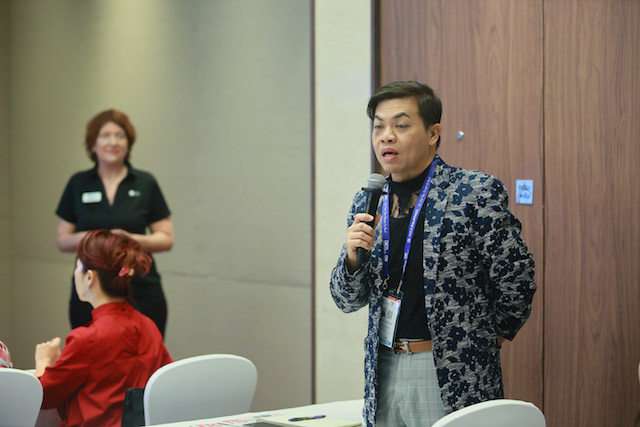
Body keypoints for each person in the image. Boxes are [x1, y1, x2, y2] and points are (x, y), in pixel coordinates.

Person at [329, 81, 536, 427]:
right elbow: (346, 300)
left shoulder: (473, 192)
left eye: (400, 125)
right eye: (378, 127)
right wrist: (352, 260)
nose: (386, 136)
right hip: (382, 367)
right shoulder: (368, 201)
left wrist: (482, 341)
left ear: (433, 133)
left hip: (447, 371)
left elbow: (517, 280)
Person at [35, 229, 173, 427]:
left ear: (89, 277)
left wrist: (43, 362)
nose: (76, 274)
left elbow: (42, 397)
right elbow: (166, 383)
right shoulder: (148, 326)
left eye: (78, 267)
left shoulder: (86, 339)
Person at [55, 109, 174, 336]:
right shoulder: (79, 183)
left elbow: (167, 238)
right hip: (91, 290)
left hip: (140, 288)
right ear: (93, 143)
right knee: (90, 352)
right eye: (105, 135)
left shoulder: (145, 182)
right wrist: (97, 238)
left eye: (120, 136)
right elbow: (62, 240)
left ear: (129, 143)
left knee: (144, 352)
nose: (113, 142)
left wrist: (131, 239)